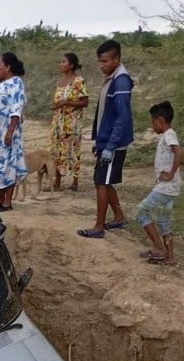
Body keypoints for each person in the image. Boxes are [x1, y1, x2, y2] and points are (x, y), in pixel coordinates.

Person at [77, 40, 134, 239]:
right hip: (106, 140)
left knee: (101, 182)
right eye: (100, 62)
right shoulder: (112, 78)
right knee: (104, 181)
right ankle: (118, 216)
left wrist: (110, 146)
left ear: (116, 59)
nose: (102, 65)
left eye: (105, 61)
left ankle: (99, 226)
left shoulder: (121, 81)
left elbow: (122, 116)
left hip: (114, 142)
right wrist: (99, 141)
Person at [136, 101, 181, 265]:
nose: (152, 125)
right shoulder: (168, 134)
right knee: (163, 220)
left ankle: (158, 248)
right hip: (170, 188)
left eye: (153, 122)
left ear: (160, 120)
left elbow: (178, 151)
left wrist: (170, 173)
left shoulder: (169, 134)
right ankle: (169, 257)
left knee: (141, 211)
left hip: (166, 187)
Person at [0, 52, 28, 212]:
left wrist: (10, 131)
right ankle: (0, 198)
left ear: (7, 67)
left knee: (9, 165)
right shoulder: (4, 84)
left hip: (6, 133)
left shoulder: (16, 84)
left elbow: (16, 109)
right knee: (1, 166)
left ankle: (8, 201)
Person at [49, 52, 89, 192]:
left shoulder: (78, 81)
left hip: (71, 123)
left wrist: (67, 102)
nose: (61, 64)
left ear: (71, 65)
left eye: (63, 62)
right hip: (58, 123)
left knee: (72, 151)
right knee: (58, 151)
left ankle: (75, 181)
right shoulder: (60, 82)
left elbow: (84, 102)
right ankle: (57, 181)